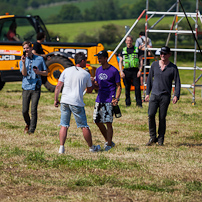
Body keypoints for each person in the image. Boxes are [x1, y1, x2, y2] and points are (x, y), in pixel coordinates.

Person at [54, 52, 101, 154]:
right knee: (84, 126)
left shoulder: (66, 71)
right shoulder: (85, 74)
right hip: (76, 102)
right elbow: (89, 91)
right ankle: (91, 148)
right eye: (85, 60)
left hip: (65, 101)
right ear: (82, 61)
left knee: (64, 125)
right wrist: (91, 82)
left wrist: (56, 99)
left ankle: (61, 148)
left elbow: (58, 86)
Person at [145, 46, 181, 146]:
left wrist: (176, 95)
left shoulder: (173, 68)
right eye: (161, 53)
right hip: (154, 95)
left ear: (169, 55)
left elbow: (177, 82)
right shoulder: (154, 65)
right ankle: (152, 137)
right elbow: (149, 80)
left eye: (165, 54)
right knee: (151, 115)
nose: (162, 55)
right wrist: (147, 93)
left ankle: (160, 139)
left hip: (165, 96)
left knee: (162, 117)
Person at [93, 50, 121, 151]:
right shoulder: (98, 70)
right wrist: (92, 83)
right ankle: (108, 140)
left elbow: (119, 86)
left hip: (109, 99)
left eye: (100, 57)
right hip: (99, 98)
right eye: (98, 57)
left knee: (108, 122)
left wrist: (116, 99)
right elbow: (97, 85)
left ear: (106, 58)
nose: (99, 59)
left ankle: (109, 144)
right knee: (97, 121)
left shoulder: (114, 71)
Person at [20, 41, 48, 134]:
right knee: (24, 110)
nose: (26, 50)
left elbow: (46, 72)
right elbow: (24, 73)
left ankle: (31, 130)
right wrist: (24, 63)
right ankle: (28, 123)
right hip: (26, 87)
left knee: (33, 109)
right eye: (24, 48)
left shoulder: (39, 59)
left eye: (27, 48)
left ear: (31, 48)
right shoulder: (22, 60)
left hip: (36, 87)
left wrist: (39, 72)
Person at [119, 35, 142, 107]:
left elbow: (141, 60)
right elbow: (120, 62)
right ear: (125, 42)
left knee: (137, 87)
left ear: (132, 41)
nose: (129, 42)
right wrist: (121, 71)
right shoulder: (123, 50)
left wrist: (140, 70)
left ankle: (139, 104)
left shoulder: (137, 50)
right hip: (126, 71)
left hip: (135, 71)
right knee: (127, 88)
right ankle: (127, 103)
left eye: (130, 41)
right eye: (127, 41)